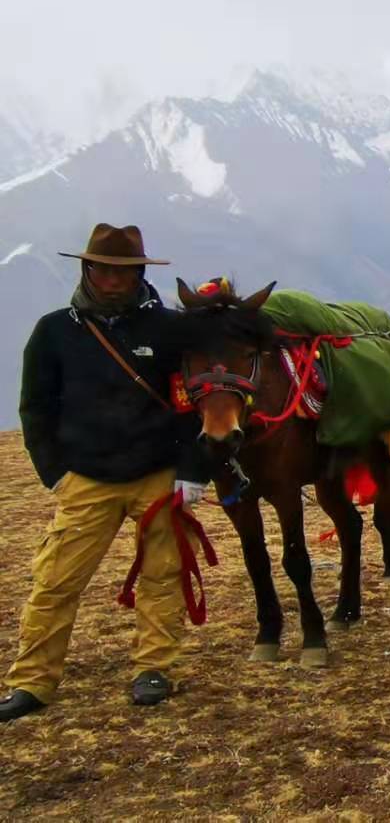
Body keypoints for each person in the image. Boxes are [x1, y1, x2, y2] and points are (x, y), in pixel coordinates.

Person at [2, 225, 210, 720]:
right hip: (86, 478)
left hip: (158, 473)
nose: (112, 279)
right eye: (102, 269)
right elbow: (35, 407)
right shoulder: (53, 331)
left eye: (122, 271)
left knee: (163, 575)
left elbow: (195, 406)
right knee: (55, 580)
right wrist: (55, 474)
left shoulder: (171, 331)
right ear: (86, 269)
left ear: (138, 272)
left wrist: (193, 470)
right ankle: (32, 682)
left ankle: (154, 669)